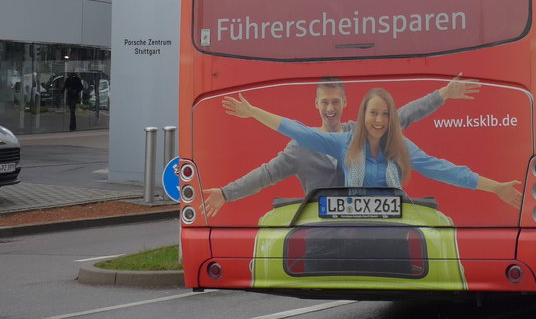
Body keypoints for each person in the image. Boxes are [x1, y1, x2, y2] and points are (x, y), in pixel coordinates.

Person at [203, 76, 479, 217]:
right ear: (316, 104)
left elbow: (402, 116)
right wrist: (226, 194)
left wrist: (442, 94)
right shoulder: (300, 147)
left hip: (365, 229)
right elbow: (265, 174)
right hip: (322, 233)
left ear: (345, 103)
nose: (330, 108)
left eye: (335, 101)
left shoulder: (360, 133)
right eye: (324, 102)